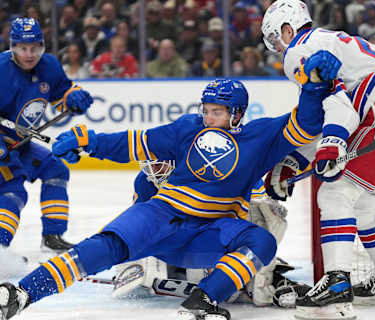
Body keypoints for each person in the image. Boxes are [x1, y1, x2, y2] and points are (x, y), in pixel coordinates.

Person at [0, 77, 353, 320]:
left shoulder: (259, 138)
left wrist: (313, 87)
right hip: (162, 216)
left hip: (210, 234)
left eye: (217, 112)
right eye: (206, 110)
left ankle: (202, 300)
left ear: (237, 115)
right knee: (104, 245)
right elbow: (133, 142)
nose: (208, 117)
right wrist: (88, 139)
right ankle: (22, 294)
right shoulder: (187, 128)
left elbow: (305, 123)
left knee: (260, 239)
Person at [261, 0, 375, 319]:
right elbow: (336, 106)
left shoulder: (299, 50)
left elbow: (335, 103)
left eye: (275, 39)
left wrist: (331, 142)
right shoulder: (328, 38)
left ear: (288, 29)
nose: (276, 50)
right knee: (363, 199)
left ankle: (337, 282)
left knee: (335, 193)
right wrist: (299, 162)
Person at [115, 159, 310, 308]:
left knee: (266, 219)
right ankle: (246, 281)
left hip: (220, 228)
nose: (154, 173)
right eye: (150, 167)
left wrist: (264, 207)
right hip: (183, 238)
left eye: (159, 166)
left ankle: (263, 277)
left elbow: (252, 204)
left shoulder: (208, 169)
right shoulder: (145, 182)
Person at [0, 18, 93, 270]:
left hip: (21, 143)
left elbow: (62, 95)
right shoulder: (1, 70)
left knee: (55, 169)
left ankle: (52, 238)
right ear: (12, 47)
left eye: (35, 48)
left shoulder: (49, 65)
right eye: (22, 48)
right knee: (12, 190)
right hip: (2, 146)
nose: (29, 54)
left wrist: (72, 98)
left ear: (42, 45)